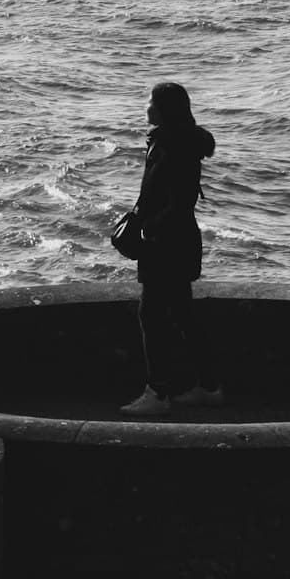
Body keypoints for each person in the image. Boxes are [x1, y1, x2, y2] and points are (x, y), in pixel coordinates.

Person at [119, 82, 221, 417]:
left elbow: (162, 198)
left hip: (165, 242)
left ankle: (158, 391)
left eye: (151, 101)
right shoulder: (182, 141)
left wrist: (144, 230)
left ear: (164, 109)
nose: (146, 106)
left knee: (151, 315)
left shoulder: (168, 145)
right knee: (182, 314)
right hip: (182, 238)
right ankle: (208, 386)